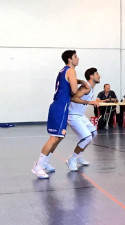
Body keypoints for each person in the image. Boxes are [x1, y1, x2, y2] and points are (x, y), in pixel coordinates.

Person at [32, 50, 89, 179]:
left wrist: (79, 80)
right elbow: (74, 91)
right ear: (70, 59)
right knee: (54, 138)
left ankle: (45, 163)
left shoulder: (64, 70)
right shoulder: (71, 71)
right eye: (75, 57)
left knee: (59, 137)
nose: (78, 58)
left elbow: (69, 82)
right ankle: (38, 166)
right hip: (61, 106)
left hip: (59, 105)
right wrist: (84, 92)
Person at [65, 68, 101, 171]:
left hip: (80, 115)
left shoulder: (90, 88)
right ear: (91, 76)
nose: (99, 76)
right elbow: (74, 98)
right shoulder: (86, 87)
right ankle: (72, 159)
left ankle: (79, 156)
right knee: (87, 137)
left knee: (93, 133)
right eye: (97, 74)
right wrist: (90, 103)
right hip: (73, 115)